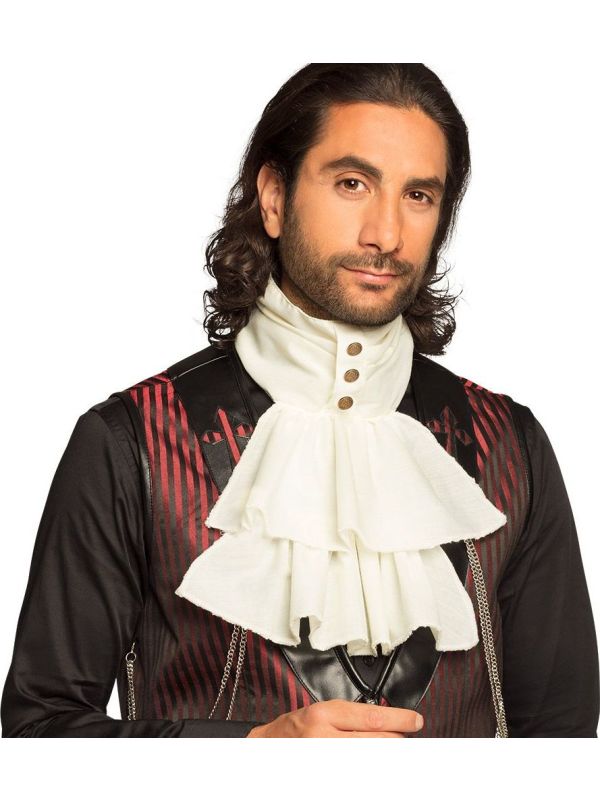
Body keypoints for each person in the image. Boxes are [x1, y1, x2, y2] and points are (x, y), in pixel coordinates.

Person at [2, 63, 598, 738]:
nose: (386, 234)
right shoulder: (130, 441)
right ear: (275, 199)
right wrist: (254, 751)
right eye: (352, 184)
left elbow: (566, 746)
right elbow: (37, 732)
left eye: (418, 195)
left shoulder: (511, 444)